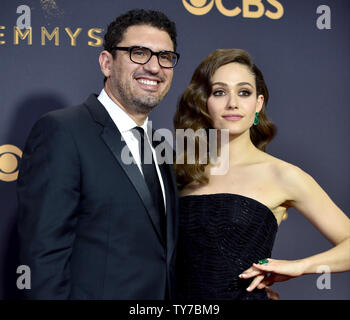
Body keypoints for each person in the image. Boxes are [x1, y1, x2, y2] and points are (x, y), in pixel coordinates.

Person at [17, 9, 180, 299]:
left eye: (165, 57)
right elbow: (43, 257)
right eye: (139, 53)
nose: (154, 67)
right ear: (107, 63)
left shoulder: (159, 147)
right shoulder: (62, 131)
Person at [173, 48, 350, 300]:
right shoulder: (178, 172)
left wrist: (299, 267)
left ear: (258, 103)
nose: (232, 103)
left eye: (244, 92)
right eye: (220, 92)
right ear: (203, 102)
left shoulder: (283, 175)